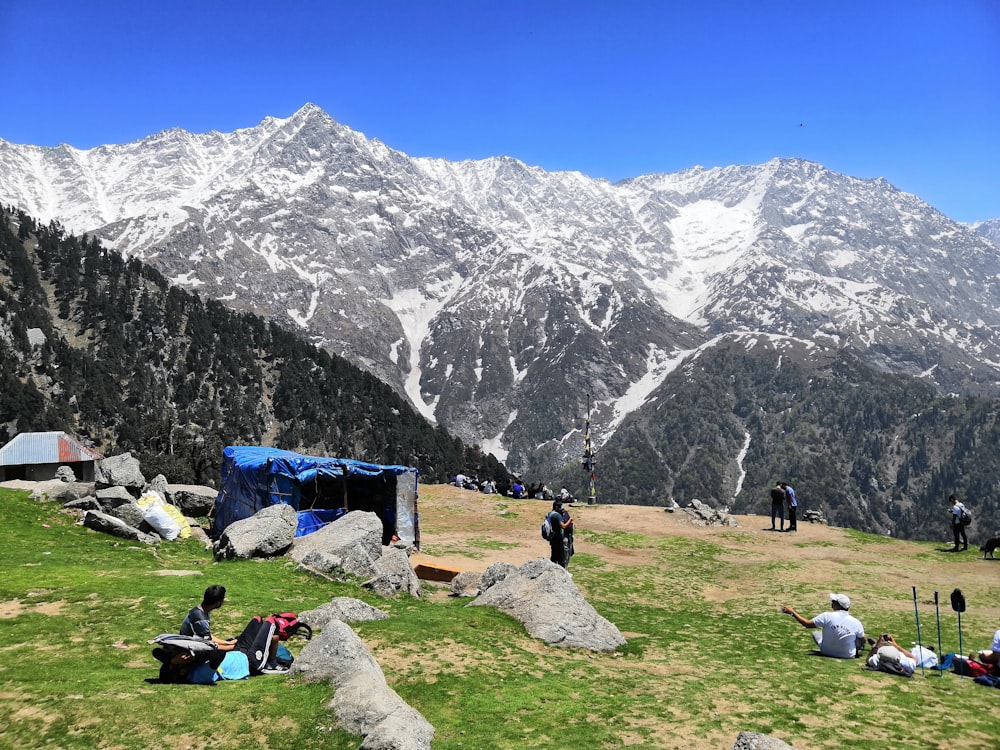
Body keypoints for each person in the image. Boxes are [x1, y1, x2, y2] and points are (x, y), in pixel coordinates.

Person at [157, 616, 286, 683]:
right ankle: (272, 664)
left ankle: (271, 658)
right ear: (181, 673)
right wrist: (194, 656)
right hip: (250, 662)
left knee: (256, 620)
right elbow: (216, 655)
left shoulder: (191, 666)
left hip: (239, 651)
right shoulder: (197, 676)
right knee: (271, 623)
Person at [781, 592, 866, 659]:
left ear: (838, 605)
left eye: (834, 601)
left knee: (816, 634)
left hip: (826, 652)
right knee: (858, 638)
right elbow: (863, 640)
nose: (831, 602)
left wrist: (792, 612)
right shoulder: (856, 622)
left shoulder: (827, 616)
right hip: (847, 655)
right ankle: (855, 650)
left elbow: (806, 624)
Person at [180, 585, 237, 651]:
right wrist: (232, 647)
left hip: (193, 641)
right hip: (190, 648)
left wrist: (227, 643)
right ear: (218, 603)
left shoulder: (199, 609)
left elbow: (207, 636)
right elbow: (208, 645)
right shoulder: (201, 620)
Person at [546, 500, 573, 568]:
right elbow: (563, 526)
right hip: (557, 539)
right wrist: (570, 521)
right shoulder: (557, 515)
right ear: (557, 507)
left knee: (554, 555)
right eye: (561, 507)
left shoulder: (549, 514)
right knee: (560, 557)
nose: (562, 509)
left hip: (553, 538)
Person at [560, 501, 575, 568]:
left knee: (569, 552)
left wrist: (572, 523)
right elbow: (563, 526)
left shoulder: (565, 513)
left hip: (569, 536)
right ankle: (564, 568)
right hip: (564, 537)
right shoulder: (558, 516)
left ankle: (566, 567)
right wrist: (570, 521)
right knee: (565, 553)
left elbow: (569, 519)